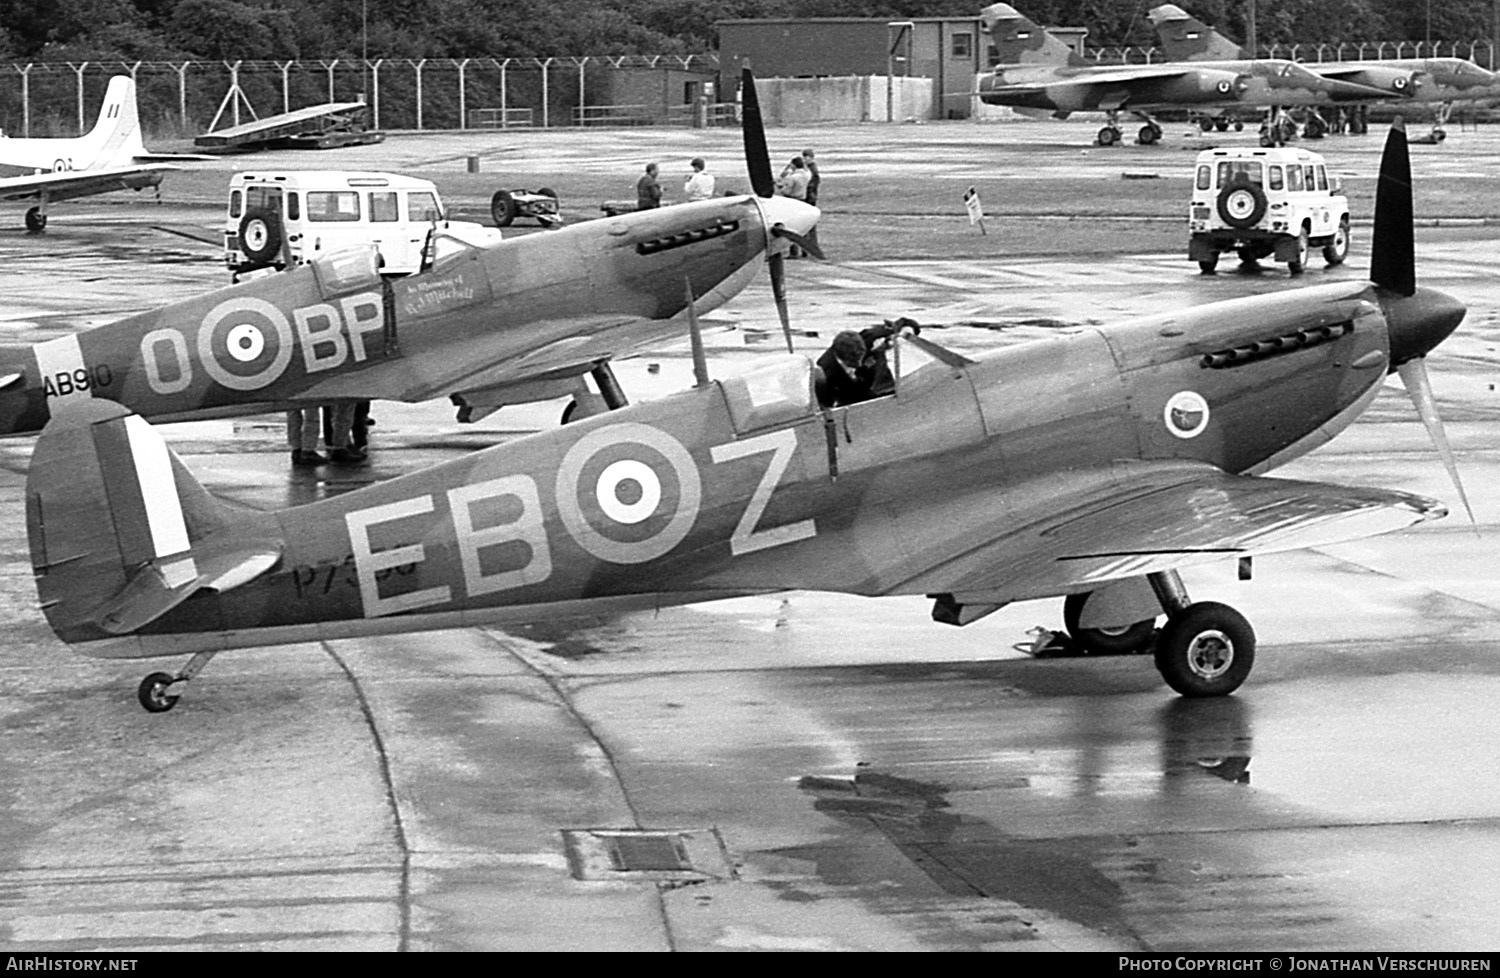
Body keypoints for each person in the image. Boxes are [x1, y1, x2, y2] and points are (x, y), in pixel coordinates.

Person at [814, 318, 919, 408]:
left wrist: (904, 333)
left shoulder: (869, 338)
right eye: (851, 366)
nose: (857, 367)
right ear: (840, 358)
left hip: (878, 377)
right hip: (858, 394)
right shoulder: (826, 373)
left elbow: (903, 324)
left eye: (861, 359)